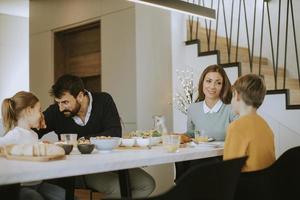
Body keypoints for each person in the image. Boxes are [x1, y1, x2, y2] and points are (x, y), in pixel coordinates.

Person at [38, 74, 155, 199]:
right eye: (58, 103)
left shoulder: (103, 100)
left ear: (80, 96)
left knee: (147, 184)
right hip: (79, 168)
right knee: (118, 188)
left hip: (111, 162)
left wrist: (82, 140)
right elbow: (32, 129)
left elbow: (115, 132)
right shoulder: (56, 112)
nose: (61, 108)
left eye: (65, 102)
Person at [175, 64, 237, 181]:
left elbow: (238, 138)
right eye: (208, 81)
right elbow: (191, 134)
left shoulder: (231, 108)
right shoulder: (193, 108)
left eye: (218, 83)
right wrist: (179, 137)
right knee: (180, 160)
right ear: (202, 83)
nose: (212, 86)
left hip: (221, 159)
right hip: (198, 157)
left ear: (223, 86)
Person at [0, 91, 65, 200]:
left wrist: (41, 146)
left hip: (38, 183)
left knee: (65, 196)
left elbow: (30, 150)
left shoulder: (33, 134)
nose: (41, 114)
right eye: (39, 110)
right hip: (22, 186)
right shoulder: (15, 134)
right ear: (29, 111)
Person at [223, 74, 275, 172]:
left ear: (237, 95)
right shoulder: (265, 125)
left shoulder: (236, 127)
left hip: (248, 183)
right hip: (268, 183)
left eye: (232, 95)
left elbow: (229, 168)